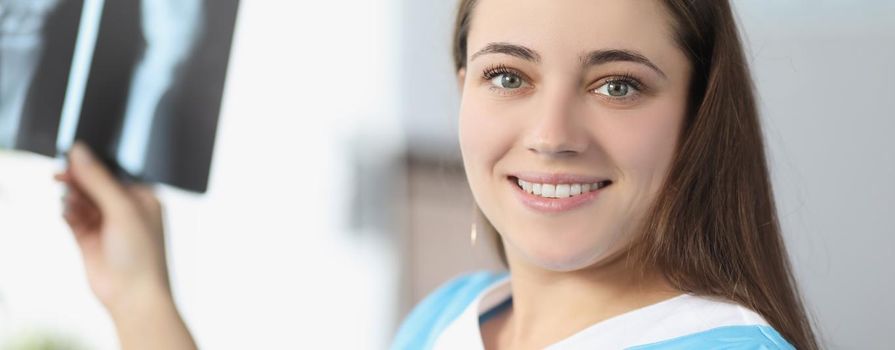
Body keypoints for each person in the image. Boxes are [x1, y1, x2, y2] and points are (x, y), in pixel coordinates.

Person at [54, 0, 819, 349]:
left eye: (616, 85)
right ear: (462, 89)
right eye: (508, 77)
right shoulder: (448, 319)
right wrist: (139, 296)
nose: (551, 136)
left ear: (695, 112)